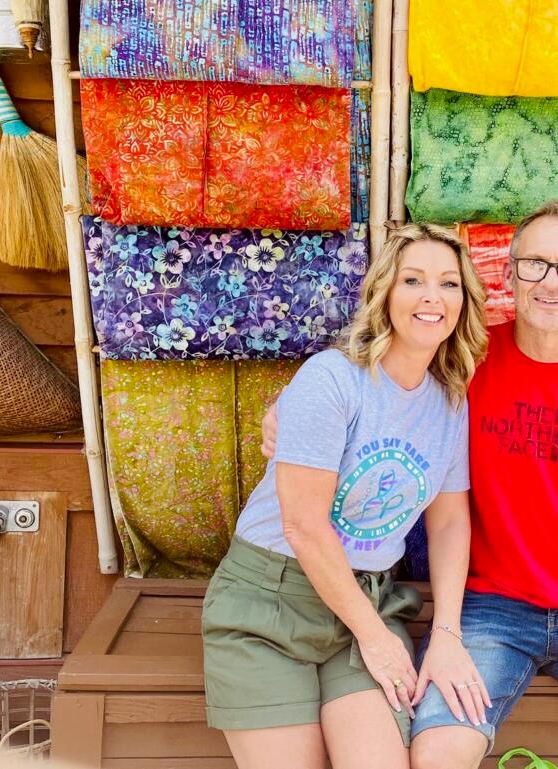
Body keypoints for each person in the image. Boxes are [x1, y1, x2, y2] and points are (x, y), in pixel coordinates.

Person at [263, 202, 558, 769]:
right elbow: (375, 378)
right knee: (437, 755)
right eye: (535, 263)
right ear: (509, 275)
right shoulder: (463, 359)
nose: (551, 281)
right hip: (486, 609)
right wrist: (285, 409)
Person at [202, 223, 491, 769]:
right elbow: (304, 526)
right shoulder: (333, 380)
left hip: (370, 599)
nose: (432, 297)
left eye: (449, 284)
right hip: (270, 601)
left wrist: (447, 634)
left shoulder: (450, 403)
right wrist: (375, 639)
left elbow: (450, 522)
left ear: (463, 302)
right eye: (413, 280)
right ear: (383, 294)